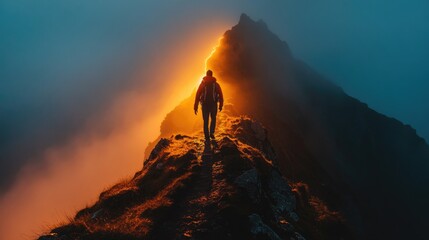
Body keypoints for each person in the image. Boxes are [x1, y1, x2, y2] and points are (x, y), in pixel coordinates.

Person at [194, 70, 224, 142]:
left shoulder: (202, 84)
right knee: (213, 119)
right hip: (213, 104)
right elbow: (220, 94)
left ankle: (206, 136)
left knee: (206, 121)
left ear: (206, 75)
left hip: (204, 105)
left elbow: (197, 95)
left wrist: (195, 106)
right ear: (212, 75)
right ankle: (212, 133)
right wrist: (221, 105)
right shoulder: (216, 84)